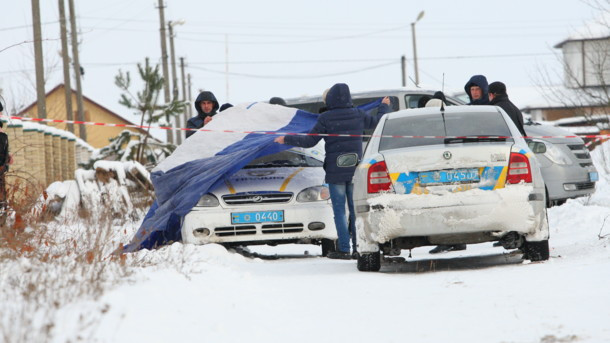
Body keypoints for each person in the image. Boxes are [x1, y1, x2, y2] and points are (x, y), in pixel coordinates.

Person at [274, 83, 391, 259]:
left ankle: (343, 249)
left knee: (339, 211)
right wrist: (384, 107)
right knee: (356, 210)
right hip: (355, 171)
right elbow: (378, 123)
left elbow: (309, 142)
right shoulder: (357, 115)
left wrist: (287, 139)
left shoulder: (326, 118)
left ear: (330, 99)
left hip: (335, 171)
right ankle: (358, 247)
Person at [428, 77, 490, 255]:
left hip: (487, 161)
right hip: (464, 160)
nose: (475, 93)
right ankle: (453, 239)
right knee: (452, 199)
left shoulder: (490, 109)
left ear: (485, 90)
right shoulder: (469, 109)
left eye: (478, 89)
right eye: (472, 90)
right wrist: (443, 103)